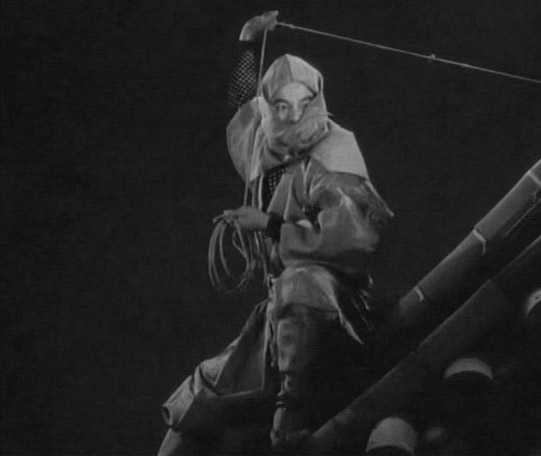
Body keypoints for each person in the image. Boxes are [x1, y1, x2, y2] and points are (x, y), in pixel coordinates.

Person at [157, 11, 393, 455]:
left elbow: (354, 241)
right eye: (281, 106)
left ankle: (291, 411)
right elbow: (243, 102)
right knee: (200, 397)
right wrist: (248, 41)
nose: (293, 114)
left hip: (333, 300)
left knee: (301, 284)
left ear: (316, 100)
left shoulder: (334, 153)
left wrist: (268, 224)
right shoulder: (265, 144)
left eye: (302, 103)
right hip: (277, 311)